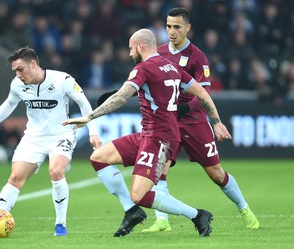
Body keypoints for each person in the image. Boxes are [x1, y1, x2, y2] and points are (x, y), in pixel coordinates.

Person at [62, 28, 232, 237]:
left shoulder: (144, 68)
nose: (129, 53)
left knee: (138, 194)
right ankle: (132, 212)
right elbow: (203, 94)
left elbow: (121, 97)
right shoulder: (172, 67)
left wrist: (89, 117)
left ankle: (197, 215)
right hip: (149, 134)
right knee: (99, 158)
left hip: (160, 139)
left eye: (131, 49)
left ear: (140, 46)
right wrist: (216, 121)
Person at [141, 7, 259, 232]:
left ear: (187, 27)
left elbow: (202, 95)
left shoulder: (198, 57)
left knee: (216, 173)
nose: (172, 31)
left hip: (193, 121)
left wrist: (181, 111)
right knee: (159, 169)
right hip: (168, 123)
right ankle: (162, 221)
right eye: (168, 26)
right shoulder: (159, 53)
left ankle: (245, 209)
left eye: (177, 26)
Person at [0, 46, 101, 237]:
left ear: (33, 64)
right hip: (34, 137)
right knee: (15, 178)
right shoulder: (17, 84)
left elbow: (83, 102)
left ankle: (60, 225)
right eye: (15, 71)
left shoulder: (62, 80)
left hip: (61, 134)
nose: (18, 74)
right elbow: (9, 104)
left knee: (56, 171)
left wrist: (92, 132)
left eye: (20, 69)